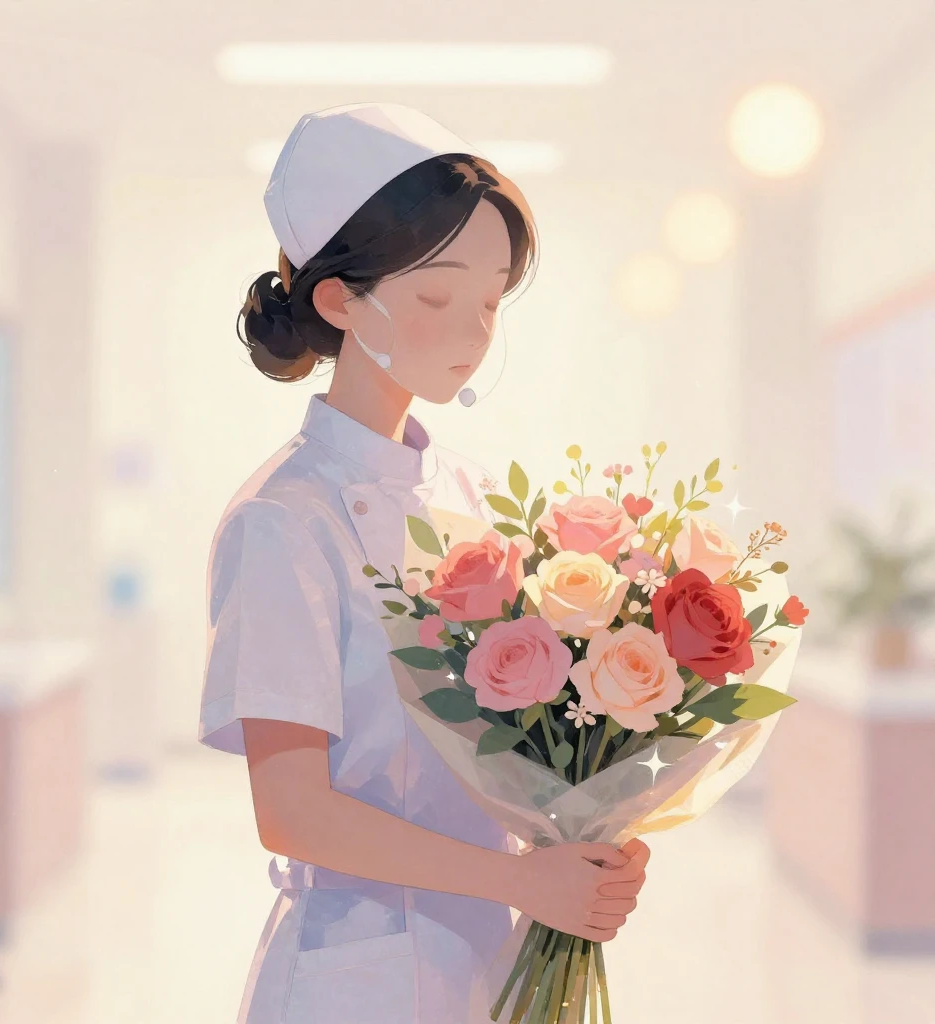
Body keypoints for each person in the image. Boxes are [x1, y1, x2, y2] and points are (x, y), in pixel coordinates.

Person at [197, 102, 650, 1024]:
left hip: (489, 948)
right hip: (350, 972)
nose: (475, 332)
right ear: (338, 301)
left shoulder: (476, 494)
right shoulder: (284, 520)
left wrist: (591, 841)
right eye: (439, 299)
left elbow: (527, 741)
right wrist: (518, 881)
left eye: (489, 302)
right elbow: (292, 811)